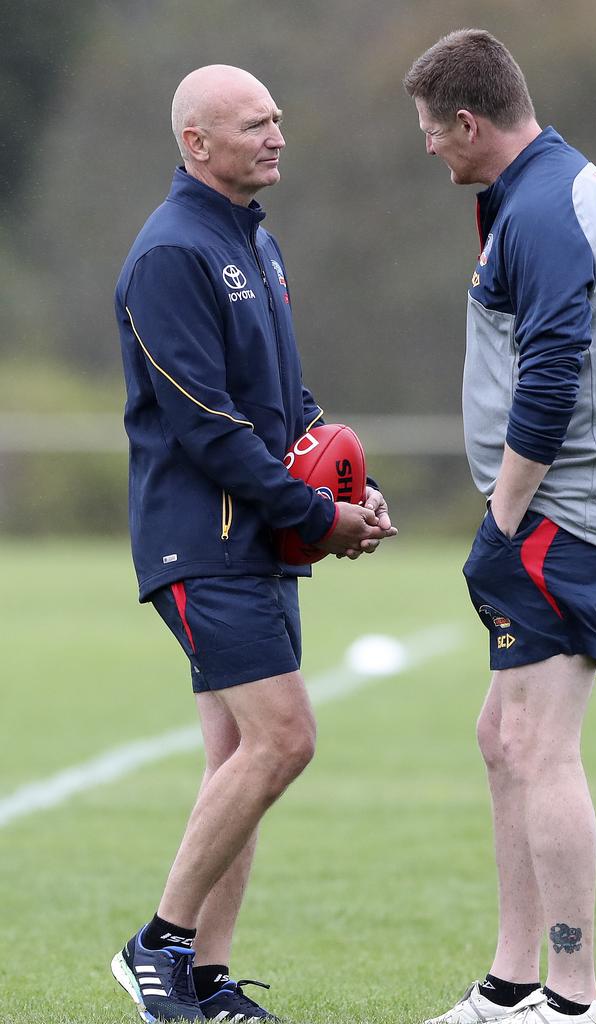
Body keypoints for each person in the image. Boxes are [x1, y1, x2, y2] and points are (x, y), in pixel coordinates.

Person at [111, 64, 397, 1024]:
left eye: (279, 116)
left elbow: (286, 406)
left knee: (238, 757)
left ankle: (205, 980)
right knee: (285, 739)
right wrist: (318, 519)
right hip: (207, 546)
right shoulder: (170, 254)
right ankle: (158, 945)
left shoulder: (256, 244)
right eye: (253, 123)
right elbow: (207, 423)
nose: (278, 135)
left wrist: (351, 486)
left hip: (263, 544)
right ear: (197, 142)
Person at [404, 30, 596, 1024]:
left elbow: (553, 376)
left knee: (539, 743)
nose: (428, 148)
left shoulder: (547, 211)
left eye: (432, 132)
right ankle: (512, 987)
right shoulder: (538, 189)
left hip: (573, 508)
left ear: (469, 122)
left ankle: (570, 1001)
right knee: (500, 735)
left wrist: (501, 518)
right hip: (570, 503)